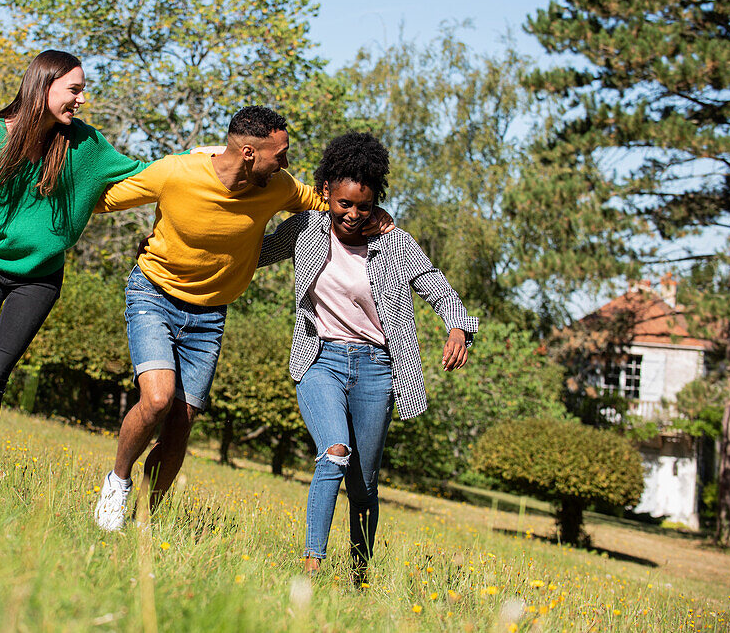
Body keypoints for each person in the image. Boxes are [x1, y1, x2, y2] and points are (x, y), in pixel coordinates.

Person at [90, 107, 395, 531]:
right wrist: (42, 193)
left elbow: (328, 201)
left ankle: (144, 519)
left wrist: (376, 214)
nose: (286, 163)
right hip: (154, 293)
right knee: (157, 398)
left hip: (210, 314)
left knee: (182, 422)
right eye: (281, 154)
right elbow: (104, 198)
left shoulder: (277, 186)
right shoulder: (176, 172)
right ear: (249, 152)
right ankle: (117, 483)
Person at [0, 50, 149, 490]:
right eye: (74, 90)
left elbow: (149, 171)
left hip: (39, 279)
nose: (81, 99)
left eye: (82, 90)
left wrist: (204, 159)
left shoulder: (86, 146)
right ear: (43, 88)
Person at [257, 131, 477, 580]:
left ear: (376, 201)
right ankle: (311, 568)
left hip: (378, 370)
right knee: (334, 453)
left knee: (364, 486)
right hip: (320, 360)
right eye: (343, 204)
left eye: (363, 205)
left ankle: (359, 575)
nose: (353, 215)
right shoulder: (305, 230)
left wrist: (458, 326)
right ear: (326, 195)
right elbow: (252, 254)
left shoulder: (395, 243)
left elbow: (436, 284)